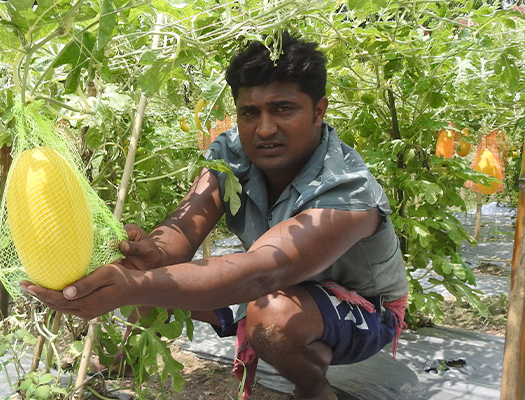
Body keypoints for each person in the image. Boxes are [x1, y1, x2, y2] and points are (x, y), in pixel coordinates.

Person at [22, 32, 408, 400]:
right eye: (250, 112)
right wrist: (154, 257)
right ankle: (123, 358)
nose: (265, 128)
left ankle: (313, 390)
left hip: (364, 309)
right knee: (146, 272)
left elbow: (263, 271)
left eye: (283, 109)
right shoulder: (232, 153)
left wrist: (136, 286)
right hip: (272, 288)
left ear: (319, 110)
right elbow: (184, 224)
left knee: (269, 316)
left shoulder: (348, 187)